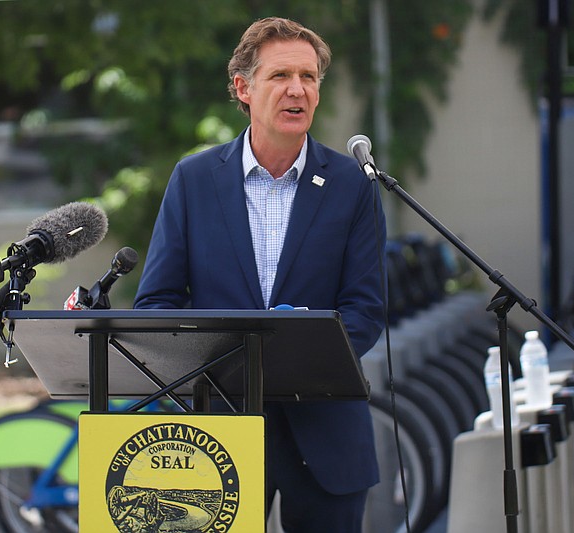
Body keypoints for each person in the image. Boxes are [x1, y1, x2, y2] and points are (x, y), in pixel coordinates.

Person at [134, 16, 386, 533]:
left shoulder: (352, 185)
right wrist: (221, 368)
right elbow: (156, 303)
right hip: (216, 437)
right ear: (244, 89)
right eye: (281, 76)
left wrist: (296, 356)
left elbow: (366, 310)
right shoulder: (195, 179)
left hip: (327, 433)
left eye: (309, 77)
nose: (298, 90)